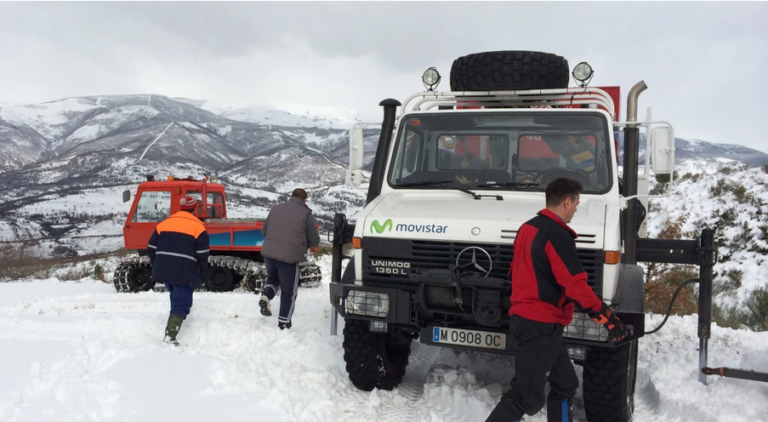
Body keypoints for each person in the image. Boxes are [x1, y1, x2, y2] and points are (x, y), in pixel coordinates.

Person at [486, 178, 629, 422]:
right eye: (576, 204)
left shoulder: (528, 228)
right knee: (525, 395)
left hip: (532, 321)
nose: (576, 209)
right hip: (540, 324)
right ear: (566, 201)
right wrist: (608, 318)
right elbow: (575, 285)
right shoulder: (557, 235)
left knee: (565, 383)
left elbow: (516, 271)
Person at [147, 196, 209, 346]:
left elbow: (151, 248)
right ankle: (170, 336)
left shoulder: (164, 224)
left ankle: (177, 318)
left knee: (176, 296)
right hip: (185, 271)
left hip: (165, 269)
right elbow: (202, 255)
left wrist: (157, 265)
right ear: (194, 210)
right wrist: (199, 273)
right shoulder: (198, 227)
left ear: (181, 208)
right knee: (181, 302)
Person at [259, 188, 320, 329]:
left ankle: (266, 296)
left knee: (273, 278)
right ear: (304, 200)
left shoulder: (275, 209)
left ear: (291, 196)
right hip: (289, 258)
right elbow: (314, 240)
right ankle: (284, 323)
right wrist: (302, 246)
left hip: (269, 254)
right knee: (289, 291)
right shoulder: (306, 214)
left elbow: (264, 231)